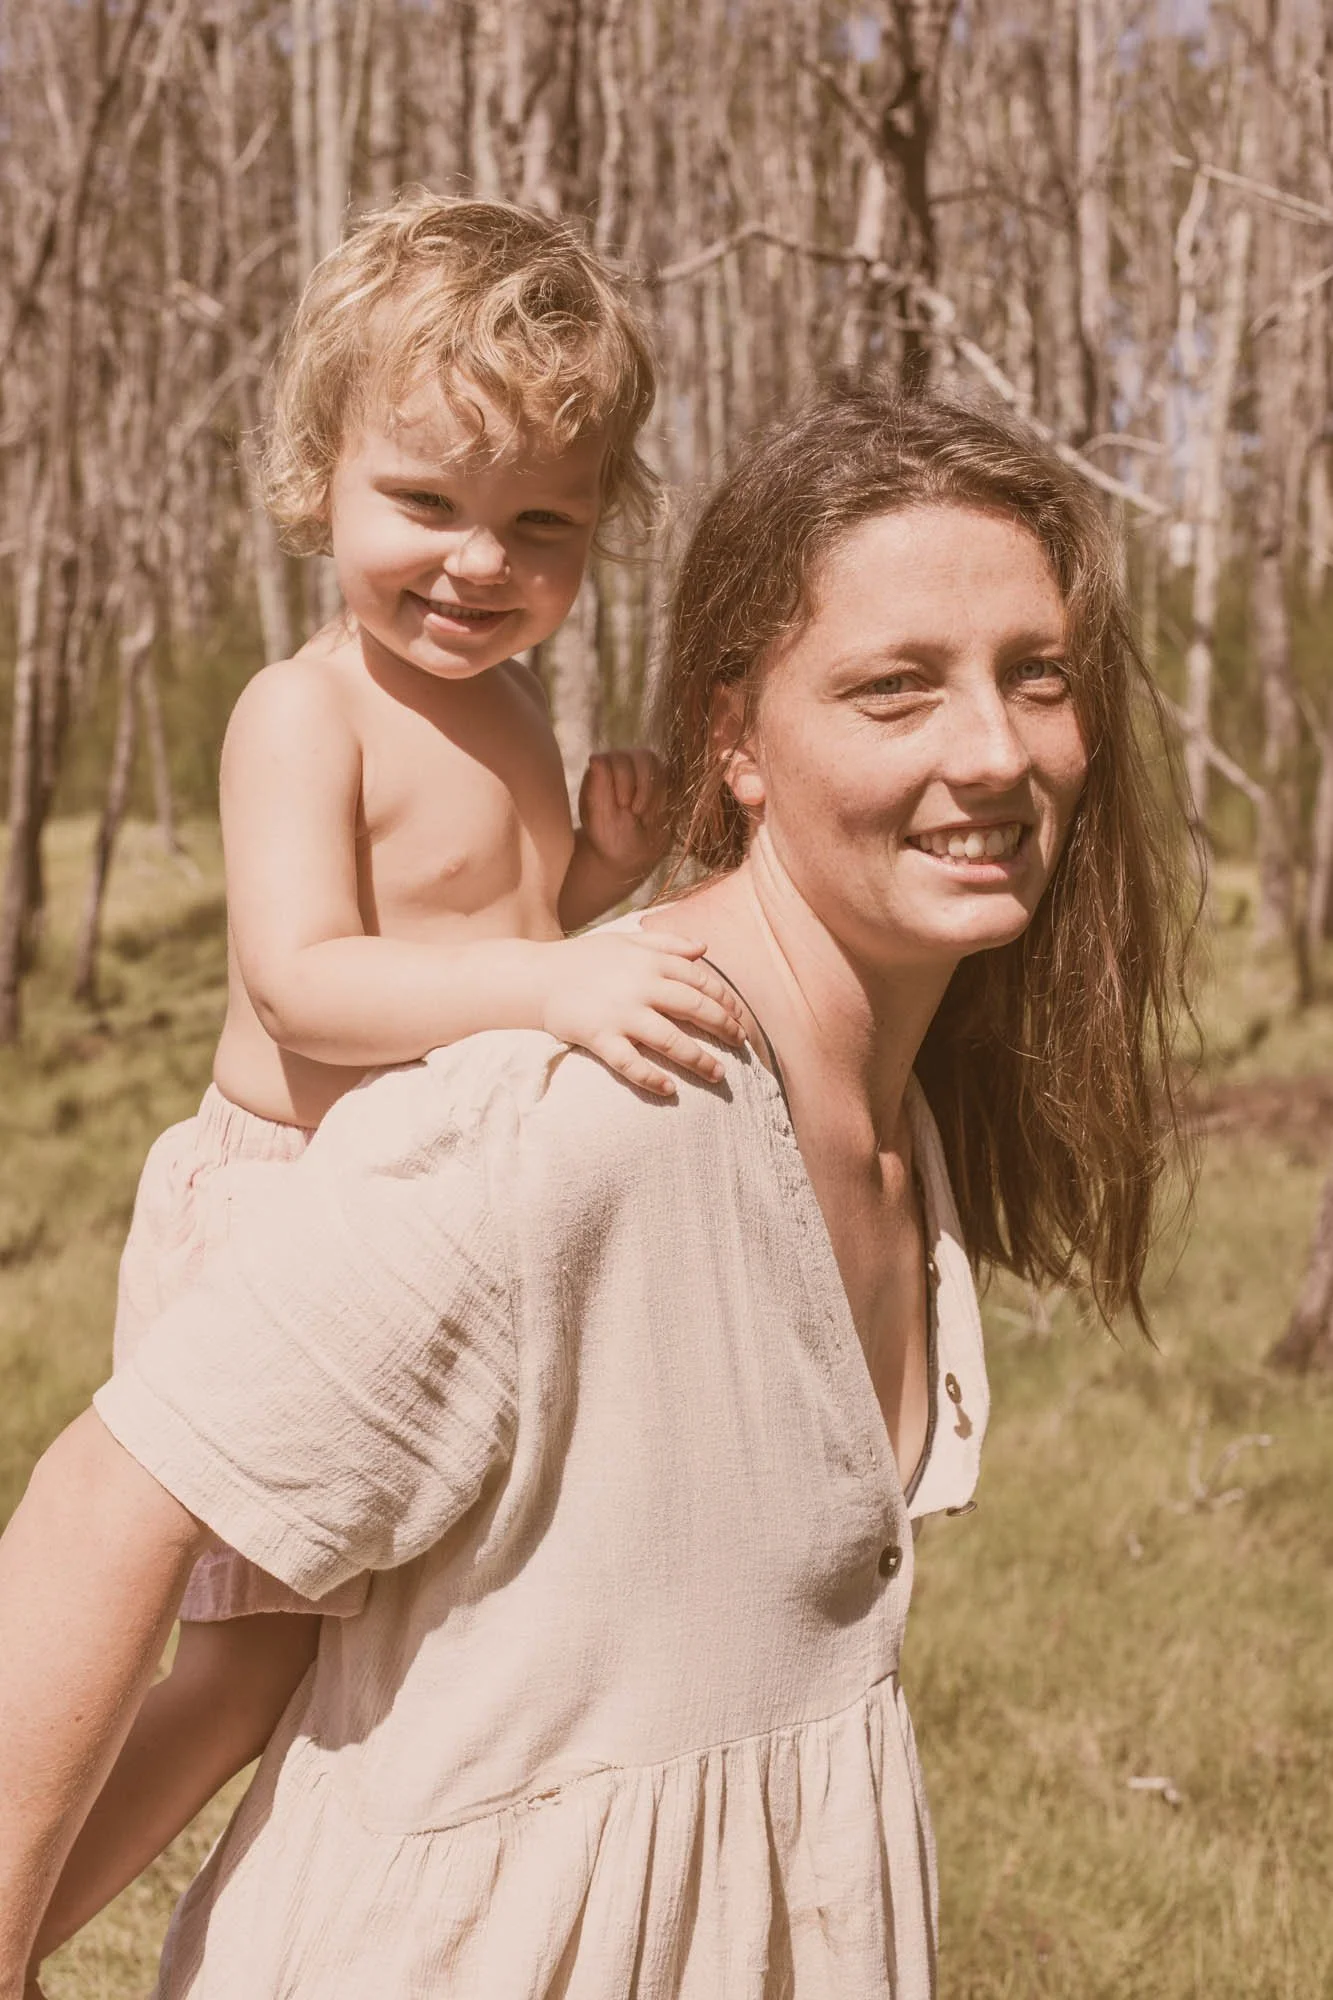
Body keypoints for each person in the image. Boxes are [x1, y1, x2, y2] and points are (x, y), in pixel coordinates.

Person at [0, 387, 1191, 2000]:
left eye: (1035, 674)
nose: (992, 750)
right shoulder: (588, 1115)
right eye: (895, 687)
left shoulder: (887, 1111)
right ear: (735, 742)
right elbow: (101, 1510)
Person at [25, 187, 747, 1955]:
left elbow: (490, 927)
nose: (479, 563)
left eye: (540, 524)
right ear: (318, 479)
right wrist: (556, 976)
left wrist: (595, 877)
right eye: (425, 504)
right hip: (286, 1210)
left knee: (389, 1661)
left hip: (431, 1218)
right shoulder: (307, 709)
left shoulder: (509, 707)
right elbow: (309, 985)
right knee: (237, 1669)